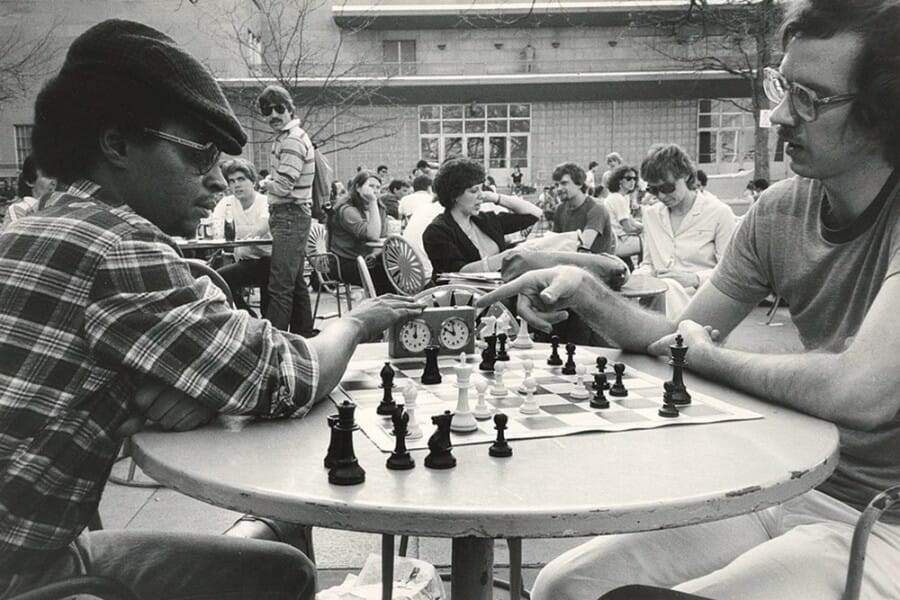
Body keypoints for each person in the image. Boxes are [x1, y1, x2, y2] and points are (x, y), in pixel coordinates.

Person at [478, 0, 900, 597]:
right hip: (791, 482)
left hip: (885, 522)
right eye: (782, 87)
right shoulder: (779, 210)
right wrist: (584, 293)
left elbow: (862, 392)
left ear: (887, 111)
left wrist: (707, 357)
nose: (779, 115)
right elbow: (676, 337)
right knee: (565, 586)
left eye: (810, 99)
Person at [0, 19, 424, 599]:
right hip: (26, 572)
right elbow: (288, 375)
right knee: (285, 566)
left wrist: (162, 391)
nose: (218, 180)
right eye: (200, 153)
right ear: (117, 144)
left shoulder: (35, 227)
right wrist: (358, 320)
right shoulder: (121, 246)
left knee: (282, 561)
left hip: (36, 545)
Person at [633, 144, 736, 318]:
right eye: (653, 190)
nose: (661, 196)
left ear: (686, 175)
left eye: (667, 188)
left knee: (666, 290)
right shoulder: (651, 215)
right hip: (659, 299)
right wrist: (636, 279)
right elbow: (649, 264)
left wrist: (694, 278)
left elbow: (731, 271)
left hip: (701, 300)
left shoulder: (719, 213)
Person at [257, 84, 316, 336]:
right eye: (267, 110)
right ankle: (304, 338)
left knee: (280, 286)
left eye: (279, 108)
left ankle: (273, 346)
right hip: (292, 214)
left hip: (290, 214)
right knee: (295, 283)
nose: (273, 115)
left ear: (291, 109)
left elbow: (283, 186)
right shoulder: (289, 137)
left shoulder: (292, 140)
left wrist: (264, 183)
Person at [423, 156, 540, 276]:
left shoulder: (485, 220)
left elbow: (534, 214)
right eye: (474, 191)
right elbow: (457, 272)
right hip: (460, 292)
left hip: (495, 289)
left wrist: (495, 197)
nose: (481, 196)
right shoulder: (436, 232)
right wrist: (505, 257)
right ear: (455, 195)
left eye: (482, 189)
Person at [214, 158, 272, 316]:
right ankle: (249, 317)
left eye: (241, 179)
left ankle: (268, 325)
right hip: (246, 262)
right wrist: (241, 231)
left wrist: (232, 231)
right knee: (216, 279)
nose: (236, 185)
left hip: (269, 261)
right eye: (231, 181)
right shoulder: (227, 202)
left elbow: (260, 229)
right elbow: (215, 229)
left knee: (271, 291)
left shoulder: (265, 202)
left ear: (253, 181)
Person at [329, 170, 392, 294]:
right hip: (346, 262)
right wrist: (373, 202)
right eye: (371, 186)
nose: (375, 190)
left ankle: (393, 305)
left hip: (367, 258)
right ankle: (381, 307)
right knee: (387, 274)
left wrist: (374, 255)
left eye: (378, 187)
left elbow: (382, 237)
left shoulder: (380, 208)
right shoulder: (347, 210)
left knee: (395, 268)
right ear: (357, 187)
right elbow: (373, 235)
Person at [551, 162, 616, 254]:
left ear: (579, 184)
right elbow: (554, 243)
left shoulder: (596, 208)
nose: (559, 189)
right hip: (572, 261)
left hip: (598, 263)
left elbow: (583, 247)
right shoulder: (560, 209)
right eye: (556, 185)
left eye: (564, 183)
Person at [603, 164, 644, 263]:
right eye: (628, 178)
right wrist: (644, 229)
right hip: (617, 242)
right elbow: (628, 228)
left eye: (634, 178)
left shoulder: (623, 197)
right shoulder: (617, 198)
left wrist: (645, 225)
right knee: (651, 242)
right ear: (619, 180)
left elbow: (632, 222)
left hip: (620, 238)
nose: (632, 182)